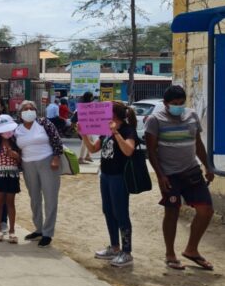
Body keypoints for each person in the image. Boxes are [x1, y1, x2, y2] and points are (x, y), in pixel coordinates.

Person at [146, 86, 216, 271]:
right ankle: (170, 254)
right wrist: (161, 176)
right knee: (172, 213)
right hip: (170, 175)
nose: (178, 106)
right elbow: (151, 151)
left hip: (192, 171)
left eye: (181, 103)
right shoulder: (155, 120)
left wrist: (208, 166)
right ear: (165, 103)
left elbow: (198, 143)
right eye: (174, 103)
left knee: (206, 210)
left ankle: (192, 250)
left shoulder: (192, 116)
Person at [81, 102, 137, 267]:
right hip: (105, 176)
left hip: (119, 177)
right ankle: (114, 246)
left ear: (114, 114)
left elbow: (128, 150)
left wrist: (116, 133)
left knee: (121, 212)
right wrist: (84, 134)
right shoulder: (105, 130)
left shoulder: (127, 130)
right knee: (108, 210)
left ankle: (126, 251)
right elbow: (93, 149)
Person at [14, 100, 64, 248]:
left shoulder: (44, 123)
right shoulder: (17, 129)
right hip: (28, 164)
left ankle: (48, 232)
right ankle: (39, 229)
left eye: (32, 108)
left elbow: (56, 140)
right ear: (20, 113)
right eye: (25, 109)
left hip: (48, 162)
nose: (29, 111)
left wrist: (56, 158)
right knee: (34, 198)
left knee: (50, 198)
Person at [0, 115, 21, 243]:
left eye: (9, 129)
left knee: (10, 202)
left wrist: (15, 155)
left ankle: (12, 230)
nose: (7, 132)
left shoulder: (16, 143)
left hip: (12, 175)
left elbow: (21, 161)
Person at [73, 92, 95, 163]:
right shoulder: (85, 105)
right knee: (85, 141)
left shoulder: (82, 104)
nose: (92, 98)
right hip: (85, 125)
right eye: (91, 97)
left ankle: (87, 156)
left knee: (91, 140)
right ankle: (81, 158)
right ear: (89, 97)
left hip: (86, 124)